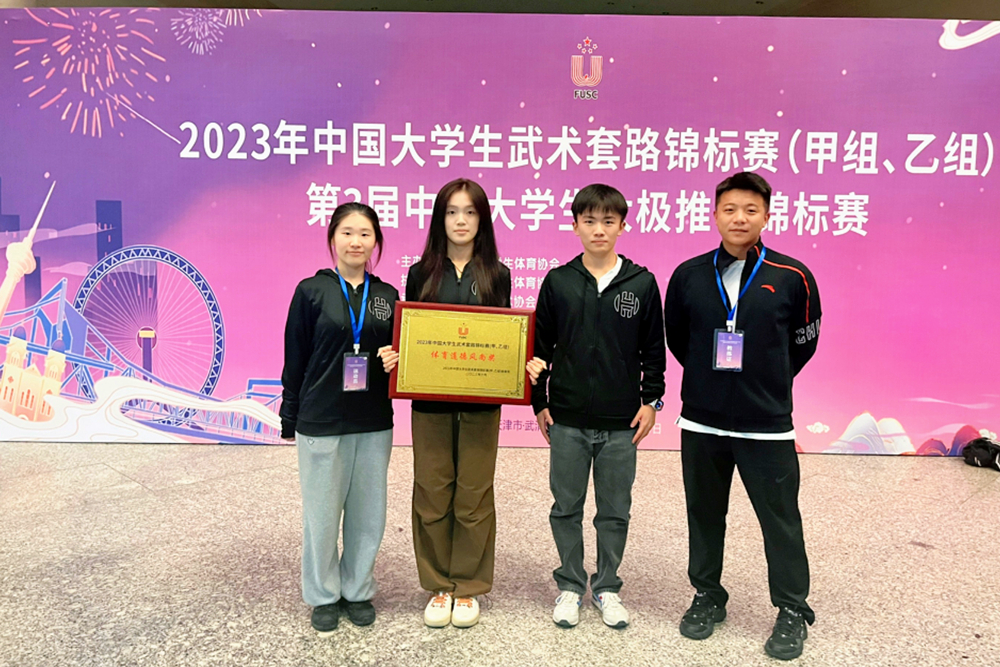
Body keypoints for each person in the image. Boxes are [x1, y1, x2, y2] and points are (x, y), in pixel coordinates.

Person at [663, 171, 822, 660]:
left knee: (780, 519)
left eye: (751, 210)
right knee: (704, 514)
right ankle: (707, 595)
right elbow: (679, 338)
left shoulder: (793, 276)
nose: (739, 218)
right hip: (702, 422)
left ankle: (792, 608)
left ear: (767, 216)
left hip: (766, 424)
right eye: (730, 209)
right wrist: (710, 381)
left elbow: (804, 342)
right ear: (715, 215)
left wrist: (764, 380)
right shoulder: (688, 275)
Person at [528, 183, 666, 630]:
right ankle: (570, 585)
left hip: (622, 421)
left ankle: (607, 587)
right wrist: (539, 402)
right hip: (567, 418)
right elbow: (539, 349)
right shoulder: (559, 282)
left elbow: (653, 350)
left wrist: (652, 401)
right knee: (565, 507)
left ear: (623, 226)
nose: (599, 230)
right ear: (575, 227)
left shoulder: (642, 283)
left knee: (614, 510)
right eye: (589, 221)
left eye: (608, 221)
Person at [280, 202, 400, 635]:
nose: (356, 242)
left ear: (376, 242)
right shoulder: (311, 291)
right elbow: (295, 357)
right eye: (347, 232)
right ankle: (323, 595)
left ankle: (358, 588)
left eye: (365, 234)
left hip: (373, 420)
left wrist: (396, 361)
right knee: (322, 515)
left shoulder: (387, 297)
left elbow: (403, 354)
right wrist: (290, 414)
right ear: (332, 238)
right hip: (321, 419)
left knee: (369, 514)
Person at [405, 178, 511, 628]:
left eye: (470, 212)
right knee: (432, 492)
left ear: (482, 219)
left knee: (473, 494)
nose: (461, 221)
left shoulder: (498, 275)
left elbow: (504, 339)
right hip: (430, 405)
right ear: (439, 219)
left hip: (481, 406)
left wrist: (519, 364)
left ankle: (467, 586)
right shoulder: (420, 273)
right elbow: (412, 334)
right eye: (452, 212)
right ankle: (438, 584)